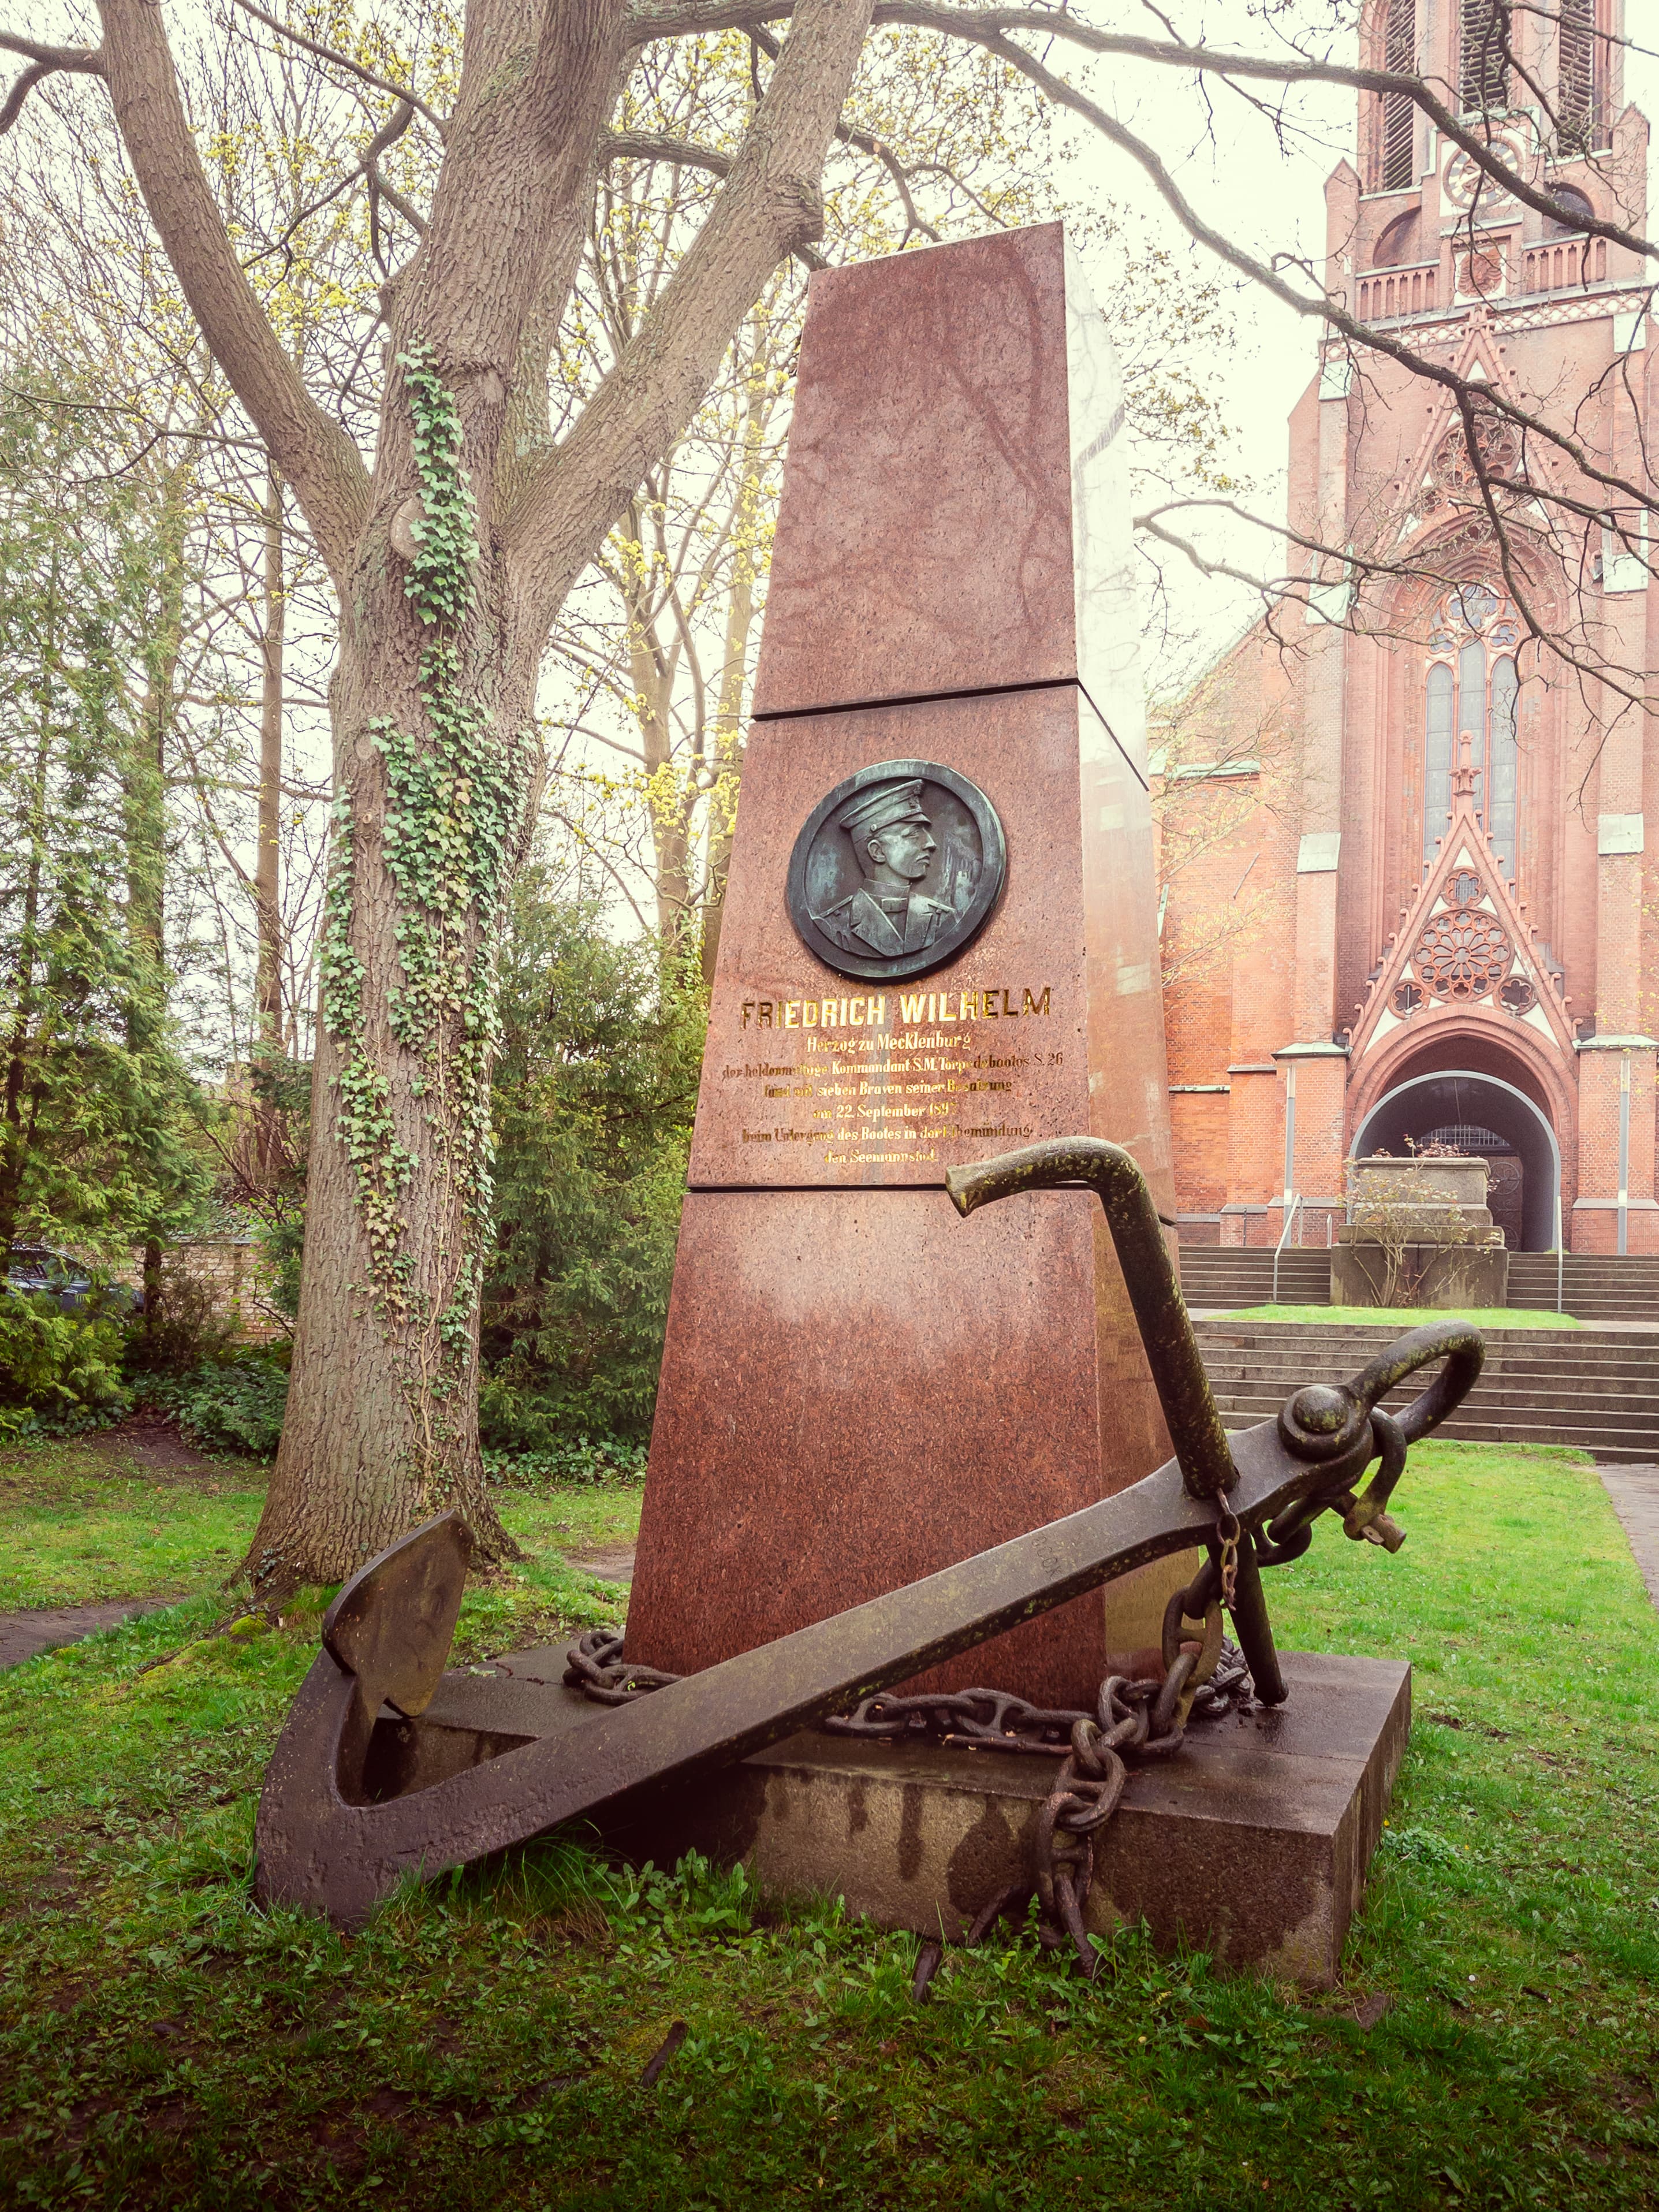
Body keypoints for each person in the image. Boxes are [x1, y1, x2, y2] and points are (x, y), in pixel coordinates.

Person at [812, 779, 957, 959]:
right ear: (877, 851)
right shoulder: (833, 928)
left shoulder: (945, 919)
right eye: (913, 834)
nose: (930, 844)